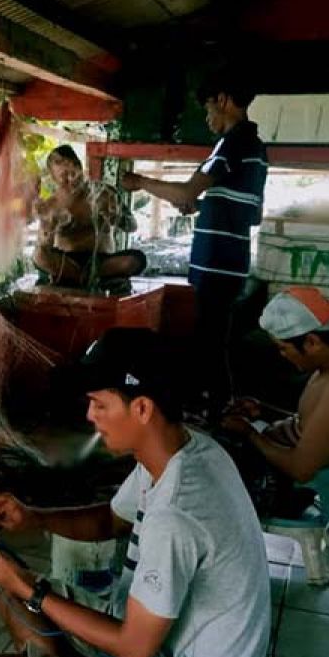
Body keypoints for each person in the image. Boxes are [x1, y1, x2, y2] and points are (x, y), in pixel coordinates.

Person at [0, 328, 271, 657]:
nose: (90, 416)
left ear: (141, 408)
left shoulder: (177, 514)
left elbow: (135, 649)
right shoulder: (188, 450)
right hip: (144, 647)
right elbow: (109, 520)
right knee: (14, 604)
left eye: (100, 404)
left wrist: (31, 587)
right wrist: (34, 517)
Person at [121, 69, 267, 412]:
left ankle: (214, 409)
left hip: (217, 259)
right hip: (231, 258)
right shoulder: (256, 148)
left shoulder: (233, 142)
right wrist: (204, 206)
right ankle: (217, 405)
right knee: (214, 340)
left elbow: (186, 189)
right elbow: (251, 213)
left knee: (209, 342)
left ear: (224, 100)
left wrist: (141, 181)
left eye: (207, 108)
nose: (207, 118)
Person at [220, 287, 329, 517]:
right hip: (286, 464)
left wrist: (249, 433)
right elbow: (315, 424)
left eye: (283, 348)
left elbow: (300, 470)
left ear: (312, 342)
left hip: (289, 490)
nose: (282, 355)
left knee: (202, 460)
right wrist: (262, 411)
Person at [33, 146, 146, 288]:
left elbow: (132, 226)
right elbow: (43, 248)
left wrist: (116, 217)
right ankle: (83, 276)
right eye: (64, 177)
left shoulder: (105, 193)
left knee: (136, 260)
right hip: (67, 262)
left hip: (103, 262)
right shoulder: (51, 205)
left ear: (80, 167)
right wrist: (47, 230)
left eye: (73, 173)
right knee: (39, 256)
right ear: (54, 178)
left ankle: (85, 277)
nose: (71, 179)